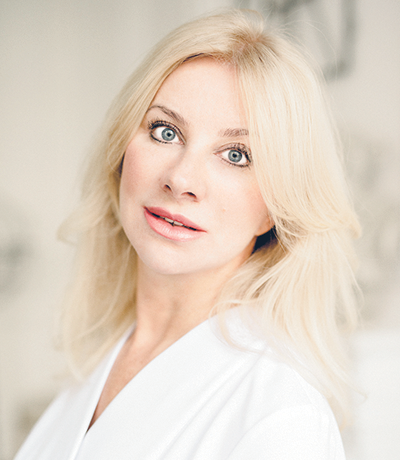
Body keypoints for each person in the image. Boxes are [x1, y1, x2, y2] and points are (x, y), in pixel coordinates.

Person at [15, 9, 360, 460]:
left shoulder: (281, 417)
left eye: (236, 155)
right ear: (121, 154)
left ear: (276, 209)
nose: (181, 179)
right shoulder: (97, 366)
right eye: (165, 131)